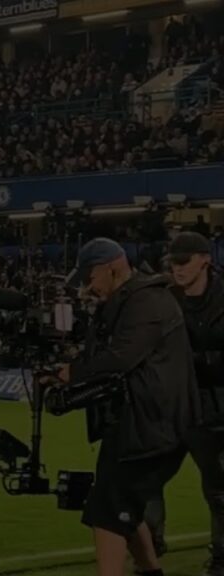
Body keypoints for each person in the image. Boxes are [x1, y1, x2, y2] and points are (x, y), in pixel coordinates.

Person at [54, 237, 198, 576]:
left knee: (106, 509)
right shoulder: (130, 301)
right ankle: (150, 571)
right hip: (139, 421)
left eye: (90, 278)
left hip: (154, 426)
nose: (88, 288)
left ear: (111, 268)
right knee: (122, 505)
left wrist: (73, 373)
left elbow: (121, 358)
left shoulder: (146, 301)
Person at [145, 232, 224, 571]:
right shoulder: (162, 295)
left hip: (215, 408)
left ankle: (221, 557)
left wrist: (196, 362)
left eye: (184, 261)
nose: (176, 268)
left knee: (219, 490)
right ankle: (149, 548)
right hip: (171, 406)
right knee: (145, 477)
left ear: (204, 258)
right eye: (172, 262)